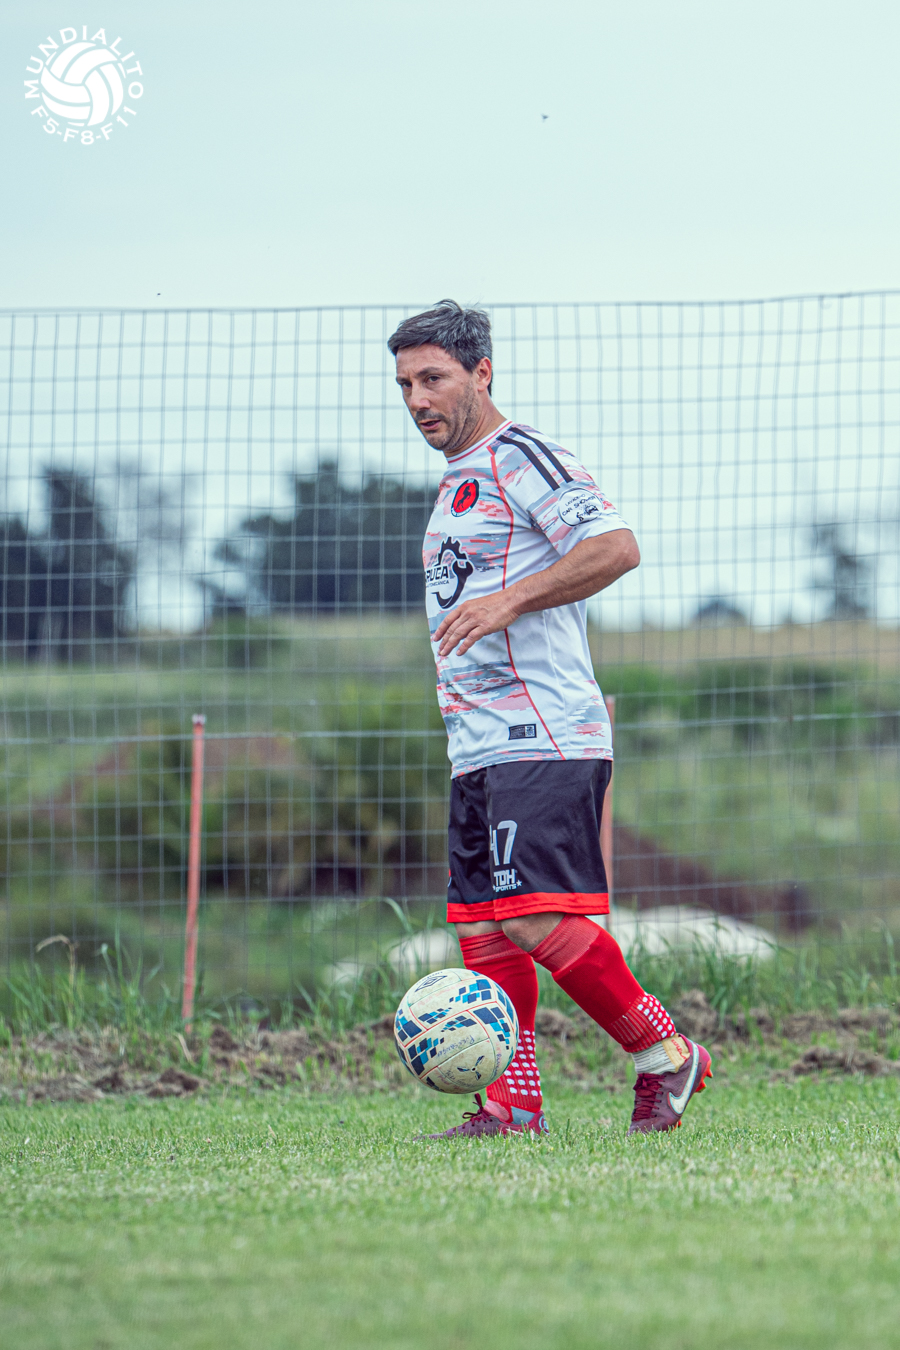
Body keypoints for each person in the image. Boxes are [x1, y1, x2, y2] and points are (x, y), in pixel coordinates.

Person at [388, 300, 712, 1137]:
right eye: (406, 384)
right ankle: (511, 1105)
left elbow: (615, 547)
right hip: (477, 745)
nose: (418, 399)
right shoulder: (456, 481)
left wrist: (510, 600)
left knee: (533, 914)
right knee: (483, 930)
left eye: (434, 379)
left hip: (544, 731)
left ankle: (667, 1055)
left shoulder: (521, 456)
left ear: (482, 373)